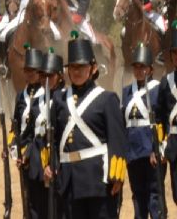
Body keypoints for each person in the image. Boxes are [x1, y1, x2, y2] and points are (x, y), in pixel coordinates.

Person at [46, 35, 127, 218]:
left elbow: (117, 140)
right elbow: (54, 138)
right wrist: (50, 164)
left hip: (97, 180)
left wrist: (117, 175)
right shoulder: (59, 99)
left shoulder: (107, 99)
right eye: (73, 67)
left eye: (82, 66)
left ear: (93, 68)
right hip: (68, 180)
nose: (77, 71)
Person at [122, 42, 164, 218]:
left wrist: (158, 147)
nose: (139, 70)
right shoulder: (126, 92)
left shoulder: (158, 89)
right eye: (136, 67)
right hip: (132, 151)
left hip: (150, 150)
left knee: (155, 195)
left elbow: (162, 121)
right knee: (138, 196)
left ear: (151, 69)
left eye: (143, 67)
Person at [25, 49, 65, 219]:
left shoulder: (65, 99)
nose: (45, 80)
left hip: (56, 160)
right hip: (35, 161)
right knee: (36, 209)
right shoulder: (36, 101)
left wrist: (54, 164)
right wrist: (23, 151)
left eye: (50, 76)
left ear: (60, 76)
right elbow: (28, 133)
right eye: (42, 75)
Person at [155, 23, 177, 210]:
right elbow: (160, 117)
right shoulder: (166, 82)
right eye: (175, 53)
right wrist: (162, 143)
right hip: (174, 143)